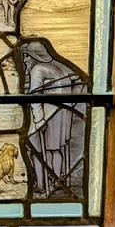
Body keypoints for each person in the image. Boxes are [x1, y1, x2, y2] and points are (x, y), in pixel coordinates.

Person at [20, 38, 86, 198]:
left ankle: (41, 185)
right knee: (55, 149)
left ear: (36, 56)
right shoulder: (60, 66)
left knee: (35, 148)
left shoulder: (37, 70)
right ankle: (57, 181)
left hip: (47, 115)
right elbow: (76, 83)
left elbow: (35, 97)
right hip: (63, 114)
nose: (25, 60)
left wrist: (39, 120)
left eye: (27, 56)